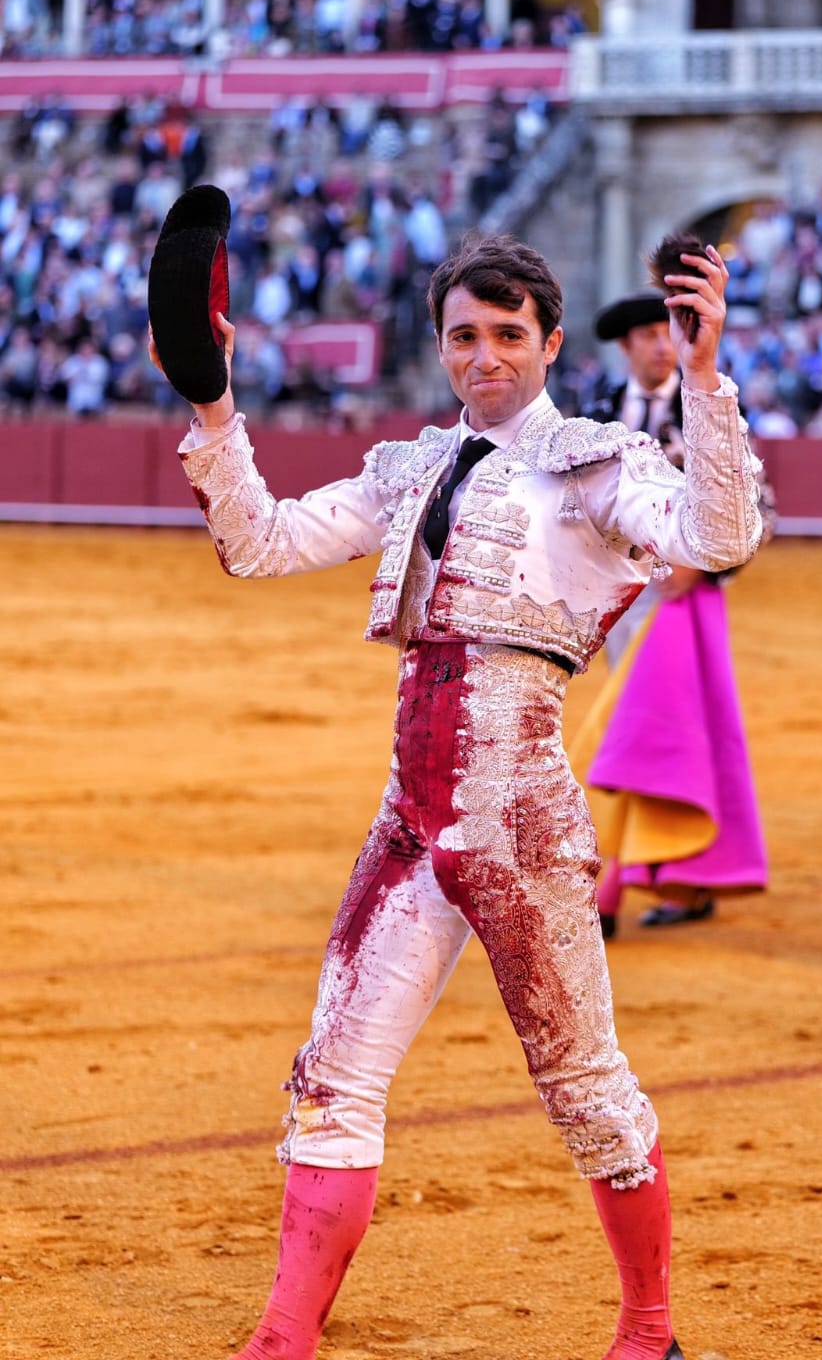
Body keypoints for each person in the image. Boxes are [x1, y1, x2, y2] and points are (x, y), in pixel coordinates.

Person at [148, 207, 763, 1360]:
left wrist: (701, 376)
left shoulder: (594, 462)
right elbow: (260, 543)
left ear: (549, 342)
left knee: (583, 1083)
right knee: (333, 1073)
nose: (484, 356)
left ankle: (649, 1332)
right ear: (438, 344)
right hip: (410, 815)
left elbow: (713, 538)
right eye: (463, 335)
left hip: (520, 820)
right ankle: (283, 1334)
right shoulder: (411, 465)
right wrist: (213, 403)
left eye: (507, 334)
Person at [572, 250, 769, 936]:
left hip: (681, 604)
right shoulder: (594, 415)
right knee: (654, 734)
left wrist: (703, 570)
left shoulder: (707, 405)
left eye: (668, 333)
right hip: (614, 601)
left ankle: (610, 890)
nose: (662, 345)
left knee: (644, 734)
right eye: (649, 336)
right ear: (626, 346)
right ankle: (682, 878)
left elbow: (757, 506)